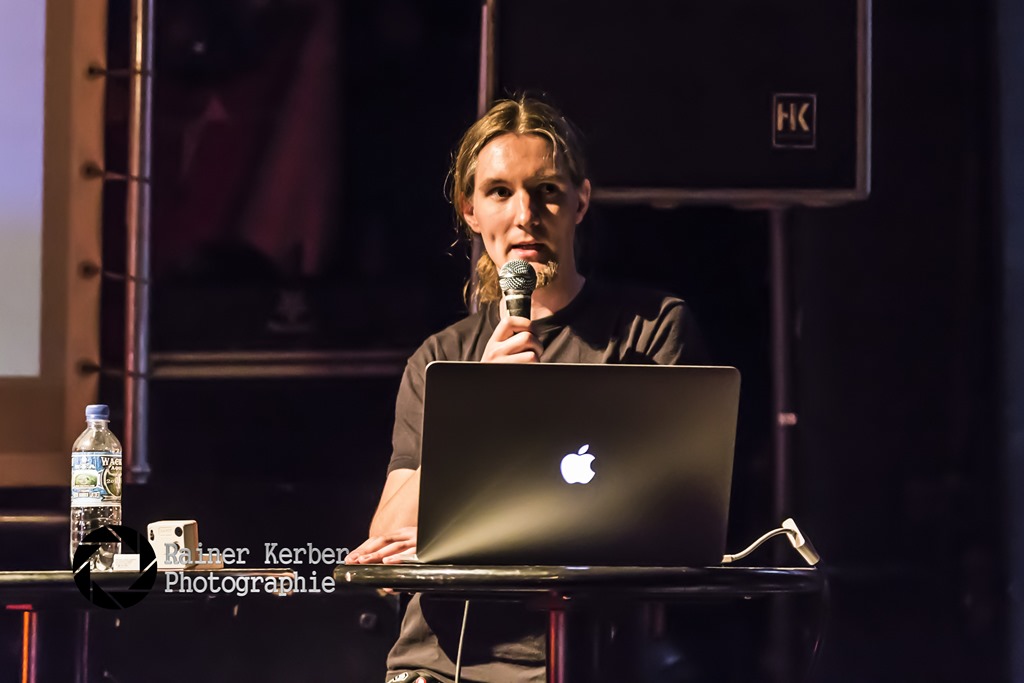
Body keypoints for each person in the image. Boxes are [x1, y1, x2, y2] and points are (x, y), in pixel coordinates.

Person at [345, 96, 706, 683]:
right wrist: (479, 409)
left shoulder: (650, 329)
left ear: (580, 202)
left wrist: (462, 539)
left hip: (587, 660)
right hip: (442, 667)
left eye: (547, 192)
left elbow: (670, 517)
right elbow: (386, 547)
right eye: (500, 192)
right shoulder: (439, 358)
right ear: (470, 210)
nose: (525, 216)